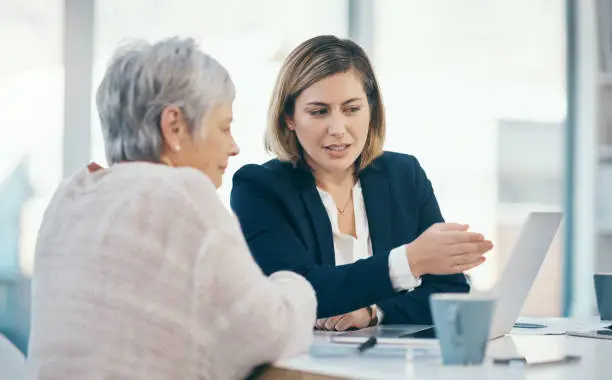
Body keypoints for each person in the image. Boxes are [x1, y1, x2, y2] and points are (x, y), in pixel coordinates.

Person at [25, 37, 316, 380]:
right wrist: (294, 284)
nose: (234, 147)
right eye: (224, 127)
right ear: (174, 126)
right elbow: (269, 332)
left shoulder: (71, 196)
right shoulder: (181, 194)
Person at [230, 35, 493, 331]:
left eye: (352, 109)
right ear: (289, 117)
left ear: (371, 110)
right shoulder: (258, 188)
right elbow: (299, 292)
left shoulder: (404, 174)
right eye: (319, 111)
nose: (338, 129)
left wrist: (373, 312)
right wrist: (408, 261)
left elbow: (449, 290)